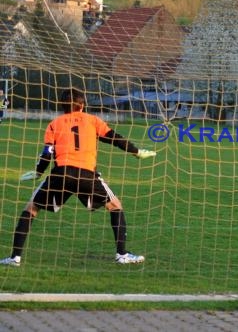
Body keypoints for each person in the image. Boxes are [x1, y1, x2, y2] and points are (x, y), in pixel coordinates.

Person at [0, 89, 156, 267]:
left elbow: (47, 153)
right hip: (86, 174)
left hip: (61, 173)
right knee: (115, 206)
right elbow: (114, 138)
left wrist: (38, 172)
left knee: (31, 209)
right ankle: (122, 254)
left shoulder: (54, 123)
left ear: (62, 105)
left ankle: (15, 258)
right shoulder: (92, 120)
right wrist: (136, 152)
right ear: (82, 105)